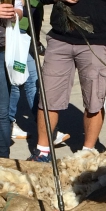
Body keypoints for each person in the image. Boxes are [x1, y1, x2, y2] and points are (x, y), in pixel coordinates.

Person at [27, 0, 106, 162]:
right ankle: (42, 151)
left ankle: (87, 152)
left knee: (94, 100)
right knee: (48, 98)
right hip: (59, 38)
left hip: (97, 41)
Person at [9, 0, 69, 146]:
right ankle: (49, 132)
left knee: (23, 81)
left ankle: (11, 124)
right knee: (26, 80)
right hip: (17, 29)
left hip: (25, 31)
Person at [0, 0, 23, 159]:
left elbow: (20, 8)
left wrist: (15, 14)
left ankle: (3, 162)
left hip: (4, 50)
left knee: (2, 111)